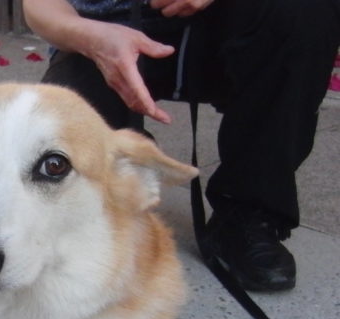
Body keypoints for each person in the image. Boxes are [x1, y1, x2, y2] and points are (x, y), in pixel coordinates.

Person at [22, 0, 340, 292]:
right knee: (69, 123)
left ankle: (248, 211)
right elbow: (40, 6)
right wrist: (91, 38)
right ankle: (107, 201)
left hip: (239, 29)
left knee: (304, 9)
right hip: (104, 34)